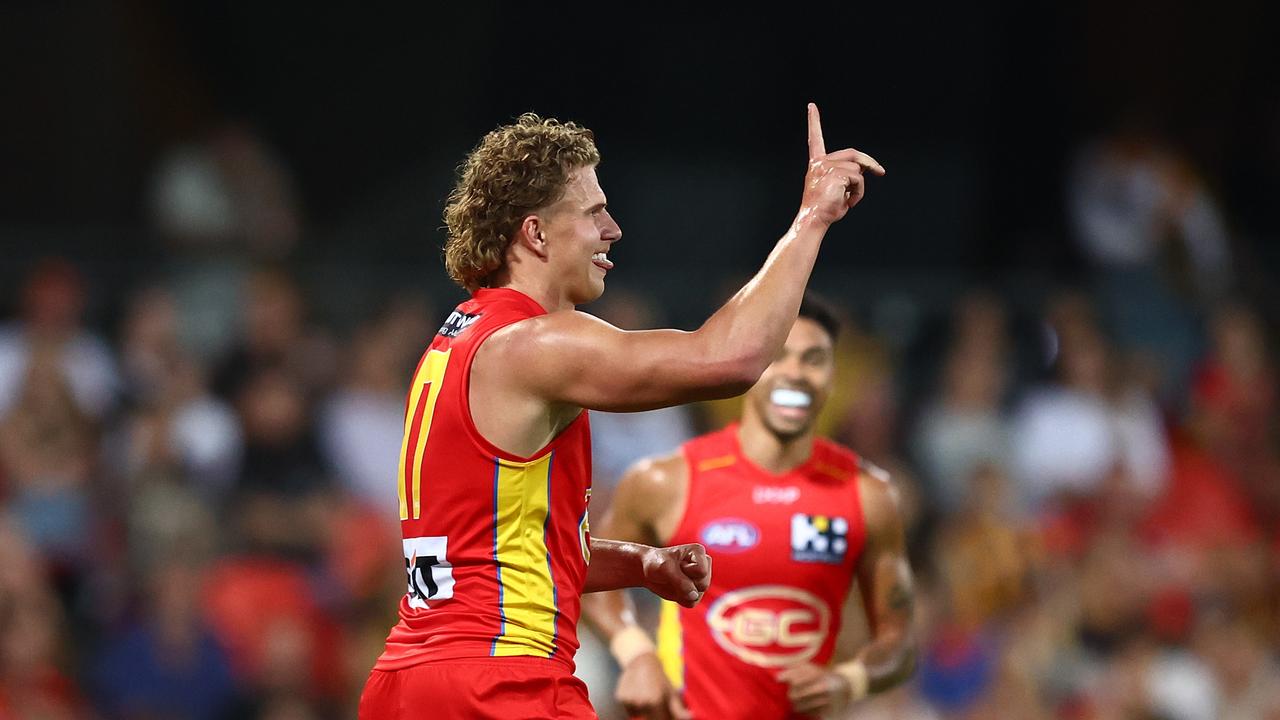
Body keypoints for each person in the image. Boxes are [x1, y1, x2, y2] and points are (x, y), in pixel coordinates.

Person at [358, 105, 884, 719]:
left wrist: (642, 563)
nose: (613, 230)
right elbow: (731, 360)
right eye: (592, 212)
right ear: (536, 233)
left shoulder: (453, 345)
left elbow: (501, 556)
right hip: (502, 683)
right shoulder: (536, 344)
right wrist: (811, 219)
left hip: (408, 682)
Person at [582, 298, 917, 720]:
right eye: (779, 356)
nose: (795, 373)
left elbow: (899, 643)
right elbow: (589, 574)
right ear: (751, 368)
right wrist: (636, 654)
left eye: (813, 360)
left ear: (832, 379)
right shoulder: (668, 482)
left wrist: (850, 680)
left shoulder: (868, 496)